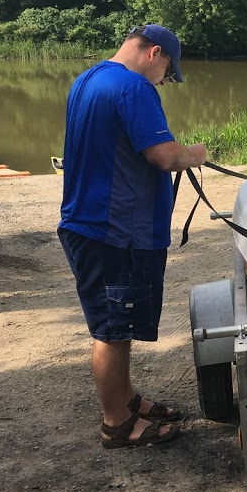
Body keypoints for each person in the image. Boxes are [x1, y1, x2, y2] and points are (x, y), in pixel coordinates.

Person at [57, 25, 208, 448]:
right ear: (154, 54)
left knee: (116, 321)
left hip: (87, 224)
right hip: (116, 231)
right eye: (168, 72)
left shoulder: (87, 79)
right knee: (113, 330)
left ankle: (126, 401)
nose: (165, 81)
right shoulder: (134, 88)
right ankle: (116, 425)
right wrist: (195, 155)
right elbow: (163, 156)